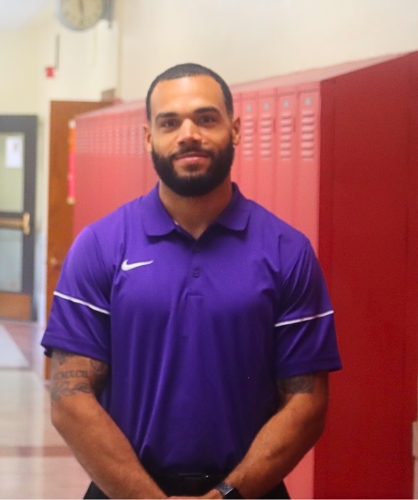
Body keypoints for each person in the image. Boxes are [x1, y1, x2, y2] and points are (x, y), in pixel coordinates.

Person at [41, 63, 342, 499]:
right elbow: (70, 397)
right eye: (169, 122)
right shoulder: (101, 246)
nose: (188, 134)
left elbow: (307, 401)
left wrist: (226, 495)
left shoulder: (286, 250)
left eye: (206, 118)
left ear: (235, 129)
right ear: (148, 137)